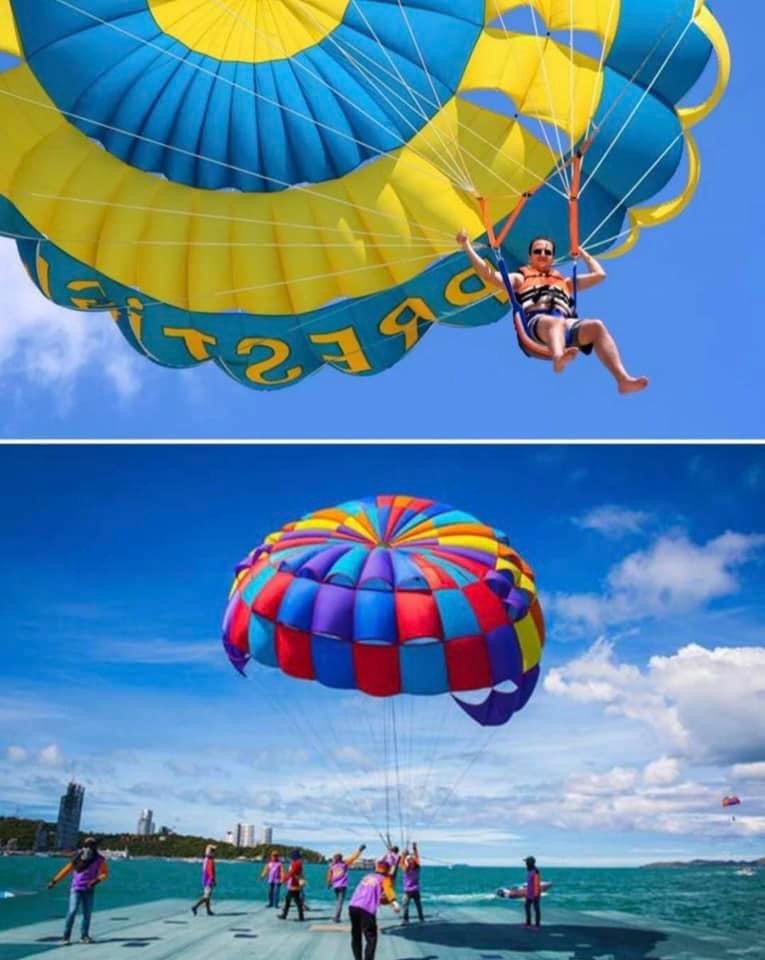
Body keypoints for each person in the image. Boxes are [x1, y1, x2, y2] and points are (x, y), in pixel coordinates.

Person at [456, 229, 648, 394]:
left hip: (567, 327)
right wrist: (467, 246)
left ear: (553, 258)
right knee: (553, 322)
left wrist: (583, 255)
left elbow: (600, 276)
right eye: (537, 251)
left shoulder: (564, 282)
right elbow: (490, 275)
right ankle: (558, 357)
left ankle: (623, 380)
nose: (542, 254)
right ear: (530, 256)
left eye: (547, 252)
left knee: (597, 326)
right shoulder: (521, 278)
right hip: (536, 326)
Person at [47, 836, 108, 944]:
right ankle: (66, 936)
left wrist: (96, 881)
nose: (88, 848)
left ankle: (84, 936)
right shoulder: (76, 858)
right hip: (76, 888)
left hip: (89, 889)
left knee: (87, 914)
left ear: (94, 847)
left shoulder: (99, 859)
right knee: (72, 911)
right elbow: (66, 870)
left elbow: (104, 873)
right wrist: (54, 881)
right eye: (86, 845)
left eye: (91, 846)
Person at [348, 860, 400, 960]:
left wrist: (386, 900)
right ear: (387, 870)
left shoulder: (367, 876)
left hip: (353, 906)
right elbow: (388, 889)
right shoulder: (384, 878)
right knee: (371, 938)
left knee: (356, 935)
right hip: (366, 910)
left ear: (376, 868)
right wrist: (394, 902)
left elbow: (374, 895)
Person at [326, 843, 365, 922]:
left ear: (335, 859)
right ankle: (337, 917)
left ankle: (336, 916)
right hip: (342, 886)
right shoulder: (344, 864)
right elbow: (353, 857)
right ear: (341, 858)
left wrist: (329, 883)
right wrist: (360, 850)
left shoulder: (332, 866)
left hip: (335, 886)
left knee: (338, 901)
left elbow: (329, 875)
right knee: (340, 902)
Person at [278, 849, 305, 921]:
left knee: (291, 899)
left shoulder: (296, 863)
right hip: (296, 883)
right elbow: (297, 873)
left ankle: (285, 915)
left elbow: (292, 873)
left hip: (294, 883)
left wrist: (284, 879)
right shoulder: (298, 863)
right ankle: (299, 916)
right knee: (294, 900)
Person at [401, 842, 424, 923]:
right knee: (411, 905)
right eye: (409, 860)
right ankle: (416, 919)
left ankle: (408, 920)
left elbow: (401, 862)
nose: (410, 861)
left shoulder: (408, 869)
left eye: (411, 860)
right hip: (411, 891)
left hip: (411, 891)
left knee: (409, 905)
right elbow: (416, 858)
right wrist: (414, 849)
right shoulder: (413, 868)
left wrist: (404, 854)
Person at [191, 844, 216, 916]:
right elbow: (210, 871)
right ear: (210, 852)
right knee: (206, 896)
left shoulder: (206, 859)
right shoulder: (210, 860)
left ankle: (208, 910)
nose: (214, 852)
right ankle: (195, 907)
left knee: (207, 896)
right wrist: (212, 880)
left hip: (205, 879)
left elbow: (207, 870)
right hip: (208, 880)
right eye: (213, 851)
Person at [523, 855, 542, 928]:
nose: (526, 863)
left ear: (530, 863)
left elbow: (537, 884)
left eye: (527, 862)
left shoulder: (536, 871)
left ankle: (537, 925)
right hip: (529, 893)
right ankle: (528, 923)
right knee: (527, 906)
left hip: (535, 894)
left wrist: (536, 894)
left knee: (536, 909)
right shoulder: (529, 870)